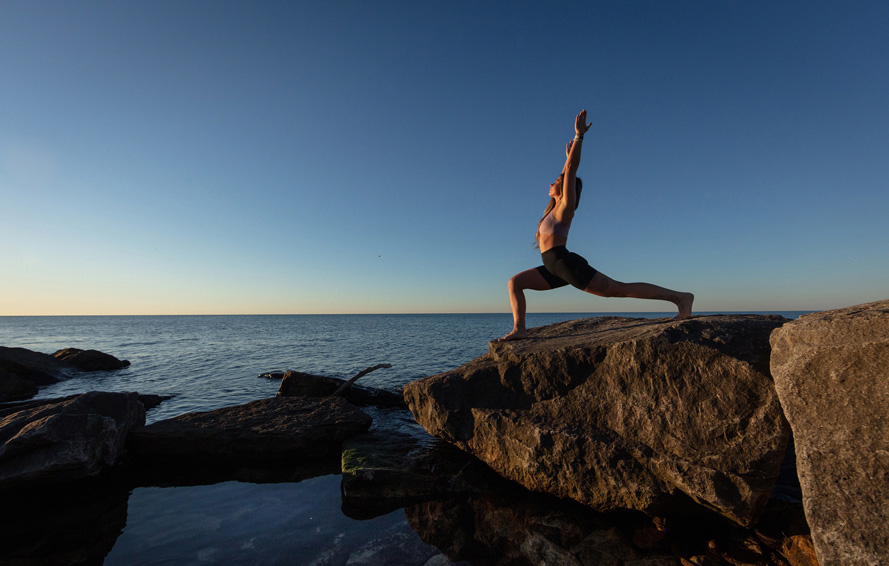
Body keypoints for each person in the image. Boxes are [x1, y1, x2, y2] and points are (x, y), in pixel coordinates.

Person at [498, 109, 694, 341]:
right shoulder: (553, 208)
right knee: (515, 283)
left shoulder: (564, 208)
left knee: (620, 289)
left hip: (567, 265)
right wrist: (567, 156)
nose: (551, 182)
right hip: (554, 268)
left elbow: (570, 171)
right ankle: (519, 329)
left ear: (563, 188)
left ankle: (681, 298)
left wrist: (579, 137)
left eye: (555, 181)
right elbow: (566, 170)